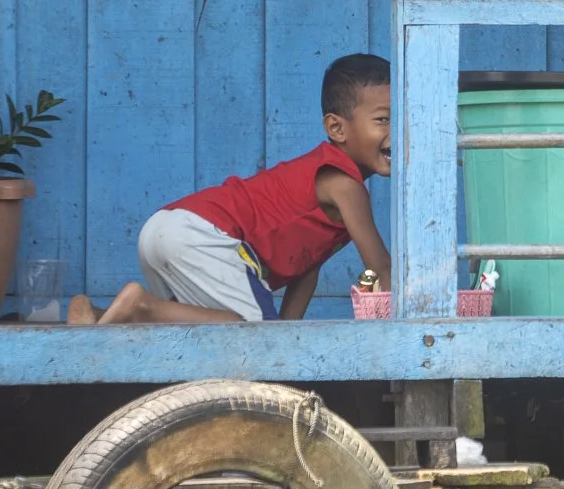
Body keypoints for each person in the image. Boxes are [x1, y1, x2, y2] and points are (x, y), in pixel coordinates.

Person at [70, 54, 394, 325]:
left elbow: (307, 268)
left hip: (166, 226)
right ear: (337, 128)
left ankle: (97, 316)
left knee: (198, 329)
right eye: (383, 120)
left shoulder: (331, 183)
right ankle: (142, 306)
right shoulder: (345, 184)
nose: (399, 130)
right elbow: (381, 268)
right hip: (207, 235)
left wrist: (286, 335)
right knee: (247, 335)